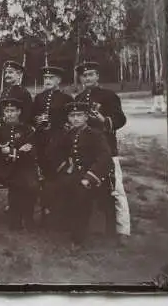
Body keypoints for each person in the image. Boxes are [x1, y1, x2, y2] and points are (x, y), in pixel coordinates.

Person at [75, 61, 130, 245]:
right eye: (84, 75)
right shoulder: (80, 97)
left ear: (97, 76)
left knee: (115, 189)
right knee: (89, 187)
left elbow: (121, 119)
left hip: (107, 148)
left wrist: (104, 120)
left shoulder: (109, 95)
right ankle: (93, 226)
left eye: (91, 74)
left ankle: (123, 230)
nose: (87, 78)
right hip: (87, 151)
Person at [46, 102, 114, 248]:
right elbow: (55, 152)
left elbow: (104, 157)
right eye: (72, 116)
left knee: (81, 195)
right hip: (72, 173)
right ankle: (60, 224)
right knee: (51, 188)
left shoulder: (95, 134)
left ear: (86, 117)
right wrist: (64, 166)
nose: (75, 119)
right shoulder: (68, 134)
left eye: (79, 116)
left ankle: (78, 237)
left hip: (91, 176)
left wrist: (89, 177)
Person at [0, 98, 41, 231]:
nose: (10, 114)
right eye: (7, 111)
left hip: (25, 166)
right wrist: (18, 151)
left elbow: (31, 153)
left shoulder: (27, 130)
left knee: (31, 185)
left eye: (13, 111)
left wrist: (11, 152)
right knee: (14, 181)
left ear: (19, 112)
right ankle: (14, 218)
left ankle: (28, 217)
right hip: (3, 166)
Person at [32, 66, 74, 223]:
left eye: (51, 78)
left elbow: (70, 120)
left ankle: (56, 208)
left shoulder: (66, 99)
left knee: (57, 173)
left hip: (58, 141)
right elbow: (32, 117)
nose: (47, 81)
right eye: (46, 78)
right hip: (41, 139)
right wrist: (36, 120)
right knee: (41, 172)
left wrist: (55, 125)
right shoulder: (39, 98)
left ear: (59, 80)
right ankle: (45, 206)